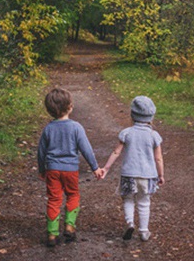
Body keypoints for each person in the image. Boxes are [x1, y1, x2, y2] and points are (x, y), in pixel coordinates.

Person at [37, 87, 104, 247]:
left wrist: (42, 169)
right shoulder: (76, 127)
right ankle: (69, 225)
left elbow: (41, 151)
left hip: (52, 169)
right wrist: (95, 167)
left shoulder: (48, 129)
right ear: (70, 107)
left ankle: (52, 234)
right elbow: (86, 149)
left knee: (54, 199)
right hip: (70, 170)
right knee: (73, 195)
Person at [101, 95, 164, 241]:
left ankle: (130, 222)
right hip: (148, 175)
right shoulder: (154, 135)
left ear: (132, 115)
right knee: (144, 202)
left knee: (128, 199)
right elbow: (159, 158)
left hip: (129, 174)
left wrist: (106, 168)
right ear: (151, 117)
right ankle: (143, 231)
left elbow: (116, 152)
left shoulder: (127, 133)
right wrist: (161, 175)